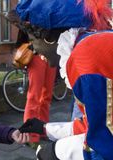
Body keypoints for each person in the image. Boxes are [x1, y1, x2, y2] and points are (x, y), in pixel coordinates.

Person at [16, 0, 113, 160]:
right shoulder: (87, 45)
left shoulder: (84, 56)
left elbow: (103, 144)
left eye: (33, 42)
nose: (34, 50)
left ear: (48, 38)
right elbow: (93, 124)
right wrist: (46, 129)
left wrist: (57, 151)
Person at [6, 10, 58, 148]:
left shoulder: (54, 9)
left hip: (51, 56)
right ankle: (30, 134)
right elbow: (12, 15)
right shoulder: (31, 8)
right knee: (34, 96)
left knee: (46, 96)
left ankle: (42, 129)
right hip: (35, 57)